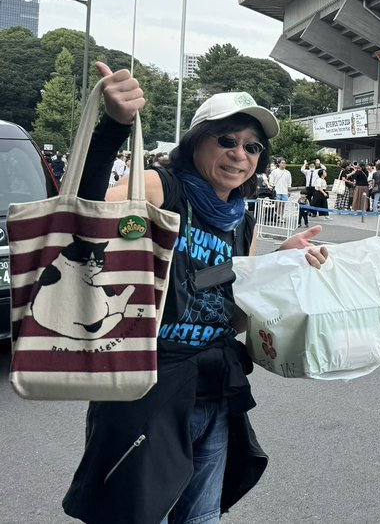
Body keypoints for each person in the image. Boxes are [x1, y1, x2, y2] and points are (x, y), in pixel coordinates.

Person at [63, 63, 328, 523]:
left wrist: (278, 264)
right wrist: (114, 128)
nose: (239, 155)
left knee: (202, 518)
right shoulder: (161, 188)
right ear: (196, 141)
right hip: (147, 388)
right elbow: (85, 217)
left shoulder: (242, 221)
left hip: (215, 391)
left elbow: (235, 312)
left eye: (252, 147)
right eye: (226, 140)